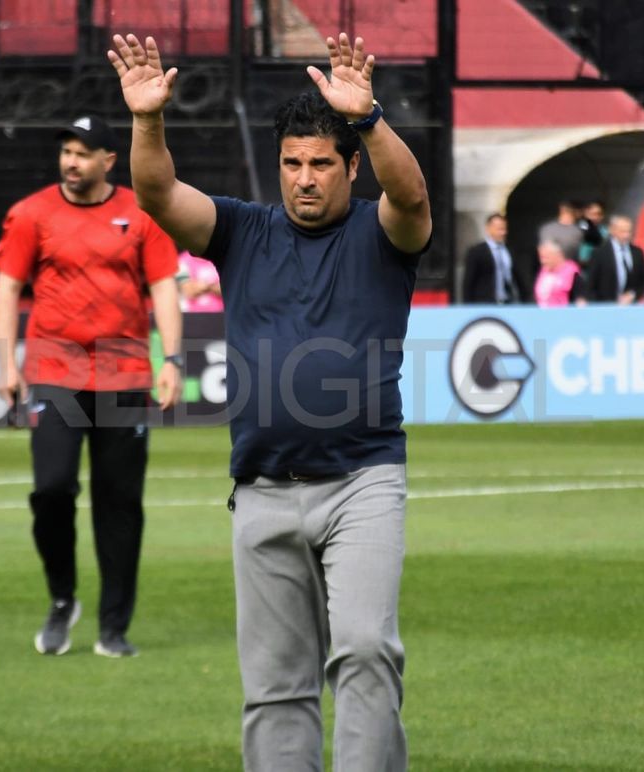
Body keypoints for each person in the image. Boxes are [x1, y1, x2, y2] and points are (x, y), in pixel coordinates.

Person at [110, 31, 430, 770]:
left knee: (364, 649)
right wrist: (148, 120)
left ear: (351, 166)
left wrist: (371, 118)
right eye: (292, 164)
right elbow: (157, 194)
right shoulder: (242, 231)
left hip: (363, 481)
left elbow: (411, 195)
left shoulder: (384, 233)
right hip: (261, 487)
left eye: (322, 163)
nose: (305, 179)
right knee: (276, 689)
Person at [0, 114, 183, 659]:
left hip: (125, 376)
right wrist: (8, 363)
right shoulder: (31, 214)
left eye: (83, 152)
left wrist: (170, 358)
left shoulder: (141, 213)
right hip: (55, 372)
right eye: (66, 151)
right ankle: (61, 598)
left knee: (120, 503)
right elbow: (7, 290)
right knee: (51, 490)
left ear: (108, 161)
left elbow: (164, 288)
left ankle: (113, 627)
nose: (71, 161)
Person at [586, 214, 644, 304]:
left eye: (629, 232)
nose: (626, 236)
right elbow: (591, 283)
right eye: (622, 232)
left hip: (630, 307)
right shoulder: (599, 253)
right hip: (605, 306)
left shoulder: (637, 253)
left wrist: (632, 294)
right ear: (612, 230)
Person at [461, 213, 519, 304]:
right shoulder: (476, 251)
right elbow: (468, 282)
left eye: (504, 229)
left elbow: (517, 277)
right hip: (484, 303)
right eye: (499, 229)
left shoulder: (509, 251)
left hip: (507, 302)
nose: (503, 232)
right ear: (488, 229)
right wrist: (467, 306)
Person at [533, 239, 587, 307]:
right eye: (541, 257)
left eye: (546, 257)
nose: (542, 261)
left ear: (558, 255)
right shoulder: (543, 272)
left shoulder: (572, 273)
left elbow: (581, 300)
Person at [538, 200, 583, 264]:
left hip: (548, 269)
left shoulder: (546, 228)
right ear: (578, 212)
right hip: (567, 268)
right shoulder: (577, 232)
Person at [577, 199, 607, 265]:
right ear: (585, 214)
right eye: (592, 214)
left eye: (598, 214)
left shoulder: (605, 233)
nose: (595, 217)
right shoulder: (577, 229)